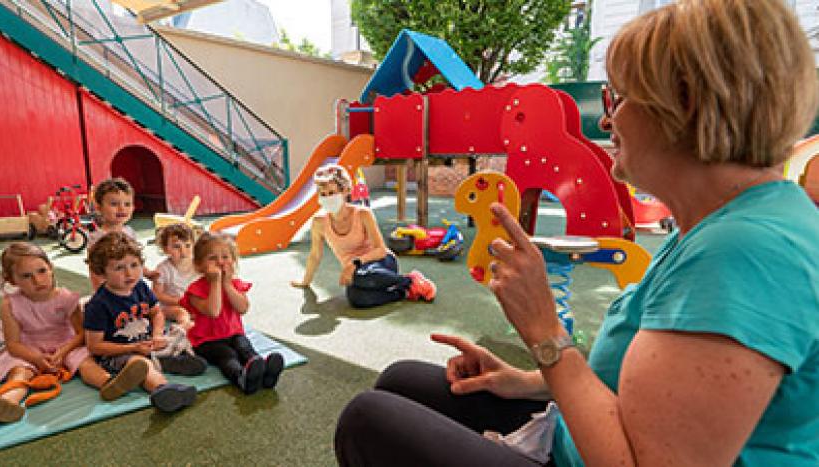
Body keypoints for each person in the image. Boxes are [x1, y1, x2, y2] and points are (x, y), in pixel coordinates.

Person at [334, 1, 819, 466]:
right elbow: (645, 382)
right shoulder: (720, 222)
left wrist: (545, 333)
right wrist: (527, 380)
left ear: (685, 106)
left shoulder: (744, 254)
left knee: (367, 421)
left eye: (619, 97)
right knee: (399, 381)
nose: (607, 119)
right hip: (583, 434)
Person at [0, 243, 149, 423]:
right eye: (26, 276)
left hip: (67, 343)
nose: (38, 281)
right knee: (19, 371)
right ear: (12, 280)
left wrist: (62, 352)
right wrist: (37, 359)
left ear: (51, 268)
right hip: (28, 348)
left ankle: (109, 383)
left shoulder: (65, 297)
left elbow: (80, 333)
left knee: (86, 363)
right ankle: (8, 402)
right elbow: (13, 344)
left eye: (42, 271)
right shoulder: (9, 305)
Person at [84, 232, 203, 413]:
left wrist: (156, 335)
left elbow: (157, 313)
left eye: (134, 265)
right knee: (141, 364)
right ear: (102, 272)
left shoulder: (140, 287)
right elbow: (95, 346)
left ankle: (167, 360)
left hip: (146, 342)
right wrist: (132, 349)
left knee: (181, 336)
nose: (129, 273)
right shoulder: (98, 305)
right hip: (119, 354)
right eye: (119, 268)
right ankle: (162, 388)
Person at [290, 164, 436, 307]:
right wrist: (305, 281)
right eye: (323, 194)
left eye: (332, 193)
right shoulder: (319, 222)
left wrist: (355, 264)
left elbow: (381, 250)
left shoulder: (362, 214)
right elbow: (315, 255)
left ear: (345, 191)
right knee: (356, 298)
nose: (327, 198)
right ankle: (403, 292)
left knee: (361, 276)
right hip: (356, 273)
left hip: (381, 263)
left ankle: (410, 281)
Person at [180, 232, 284, 395]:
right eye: (212, 258)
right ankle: (241, 378)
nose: (220, 262)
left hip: (233, 334)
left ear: (233, 261)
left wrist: (227, 284)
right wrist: (215, 283)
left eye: (225, 257)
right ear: (199, 265)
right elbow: (213, 312)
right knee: (228, 355)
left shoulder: (235, 284)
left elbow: (243, 308)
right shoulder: (195, 290)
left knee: (245, 348)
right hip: (206, 341)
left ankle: (264, 373)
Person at [88, 178, 157, 290]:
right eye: (114, 204)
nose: (122, 208)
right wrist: (101, 292)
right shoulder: (97, 238)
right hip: (114, 291)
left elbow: (134, 259)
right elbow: (95, 272)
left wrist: (147, 273)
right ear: (99, 207)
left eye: (127, 204)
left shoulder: (129, 231)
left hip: (135, 287)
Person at [153, 223, 198, 330]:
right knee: (181, 312)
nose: (183, 251)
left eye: (187, 245)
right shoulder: (162, 269)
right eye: (176, 246)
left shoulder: (198, 265)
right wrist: (180, 301)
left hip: (194, 303)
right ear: (165, 249)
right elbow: (156, 294)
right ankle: (184, 325)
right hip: (170, 306)